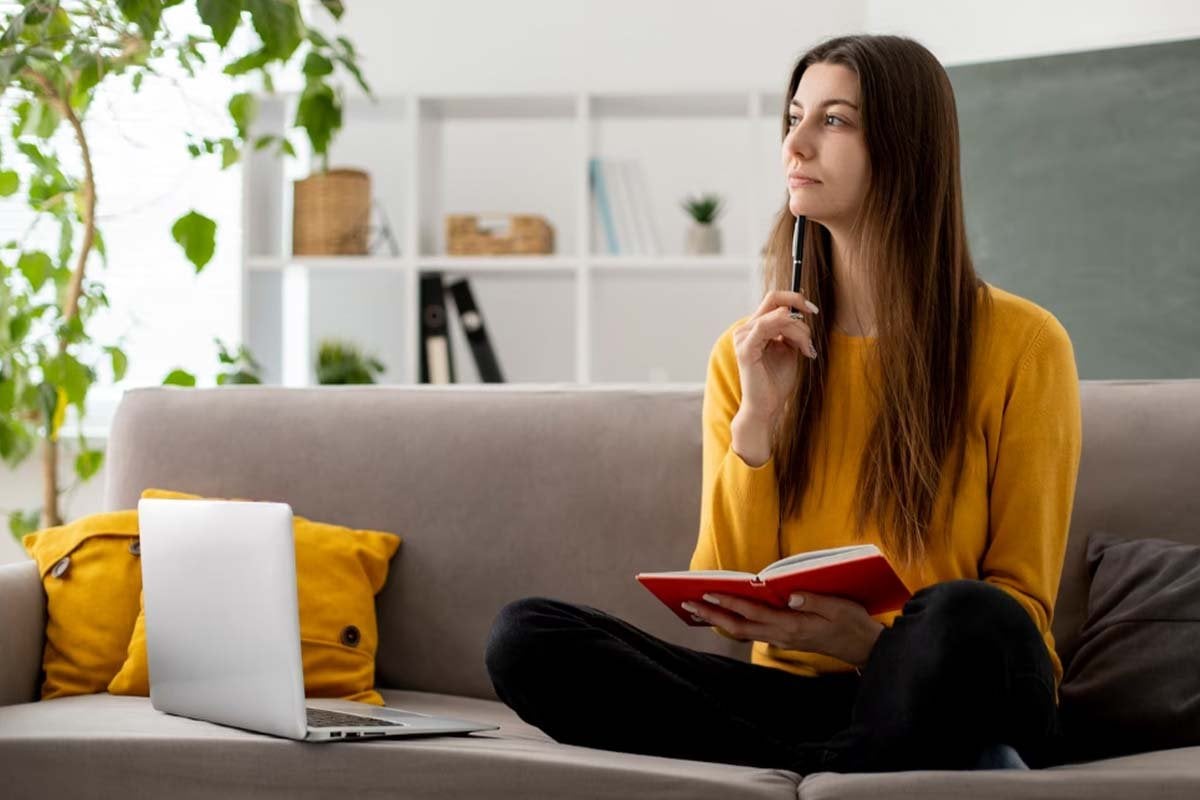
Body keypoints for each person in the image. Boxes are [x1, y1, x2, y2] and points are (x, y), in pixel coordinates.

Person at [485, 33, 1082, 775]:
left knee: (965, 613)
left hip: (957, 679)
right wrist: (756, 424)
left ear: (906, 148)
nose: (795, 144)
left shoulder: (1025, 344)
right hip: (798, 695)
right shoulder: (751, 352)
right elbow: (726, 587)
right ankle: (845, 765)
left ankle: (830, 763)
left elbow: (1021, 604)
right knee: (527, 638)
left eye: (833, 121)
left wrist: (869, 644)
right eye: (794, 117)